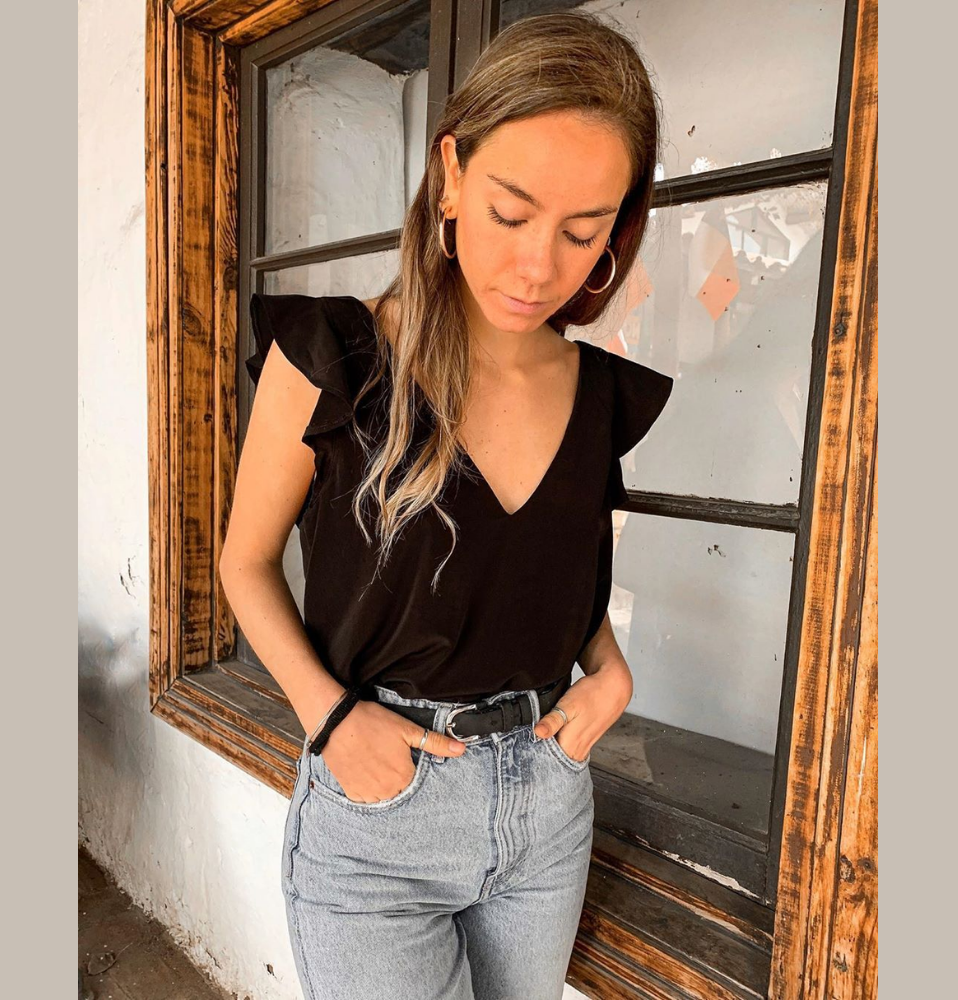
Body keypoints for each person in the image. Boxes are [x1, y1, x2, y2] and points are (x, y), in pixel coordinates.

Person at [220, 10, 673, 1000]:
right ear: (452, 174)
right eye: (512, 213)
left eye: (582, 232)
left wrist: (609, 674)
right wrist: (332, 722)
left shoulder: (600, 396)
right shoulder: (334, 357)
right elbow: (243, 562)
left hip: (546, 808)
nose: (539, 266)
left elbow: (548, 577)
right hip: (379, 813)